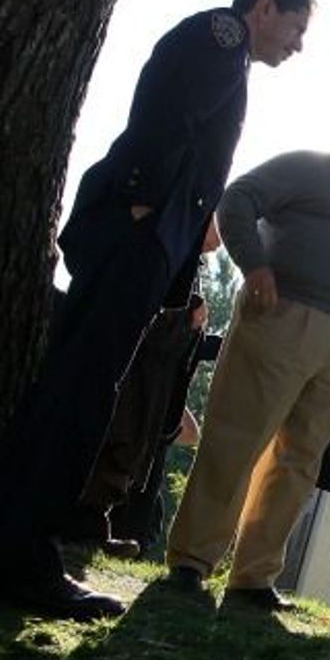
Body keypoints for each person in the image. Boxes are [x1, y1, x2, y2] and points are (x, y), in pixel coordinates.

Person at [0, 0, 313, 621]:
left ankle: (21, 539)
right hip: (133, 233)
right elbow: (167, 111)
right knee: (81, 392)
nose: (298, 44)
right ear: (261, 7)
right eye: (296, 27)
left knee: (81, 387)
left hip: (147, 242)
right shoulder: (220, 37)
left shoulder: (231, 57)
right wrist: (145, 204)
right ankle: (24, 556)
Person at [166, 114, 330, 611]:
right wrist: (254, 265)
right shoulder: (309, 168)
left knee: (299, 460)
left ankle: (253, 577)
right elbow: (237, 199)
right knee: (238, 438)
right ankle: (191, 561)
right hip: (283, 315)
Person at [61, 222, 225, 559]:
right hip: (137, 356)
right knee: (116, 430)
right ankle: (75, 522)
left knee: (132, 441)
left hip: (159, 366)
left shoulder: (189, 258)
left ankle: (92, 523)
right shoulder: (171, 238)